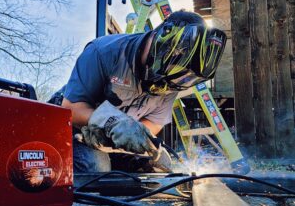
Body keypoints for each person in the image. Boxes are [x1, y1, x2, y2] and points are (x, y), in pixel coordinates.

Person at [54, 11, 227, 173]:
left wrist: (145, 142)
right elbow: (71, 108)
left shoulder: (174, 80)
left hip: (110, 137)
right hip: (71, 127)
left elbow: (154, 122)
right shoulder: (104, 52)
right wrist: (114, 124)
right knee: (96, 167)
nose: (168, 88)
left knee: (149, 169)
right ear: (161, 43)